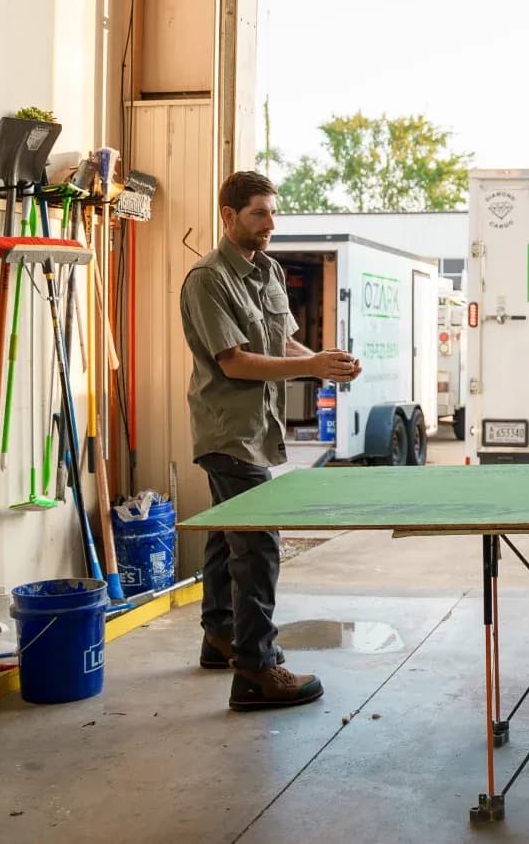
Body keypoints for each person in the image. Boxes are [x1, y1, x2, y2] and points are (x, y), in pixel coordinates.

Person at [180, 170, 362, 711]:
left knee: (226, 534)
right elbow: (234, 362)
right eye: (259, 213)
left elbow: (279, 337)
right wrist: (310, 368)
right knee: (258, 545)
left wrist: (322, 362)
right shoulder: (208, 279)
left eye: (272, 213)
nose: (270, 224)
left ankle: (220, 637)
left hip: (257, 429)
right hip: (227, 429)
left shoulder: (270, 271)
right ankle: (256, 670)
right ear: (229, 216)